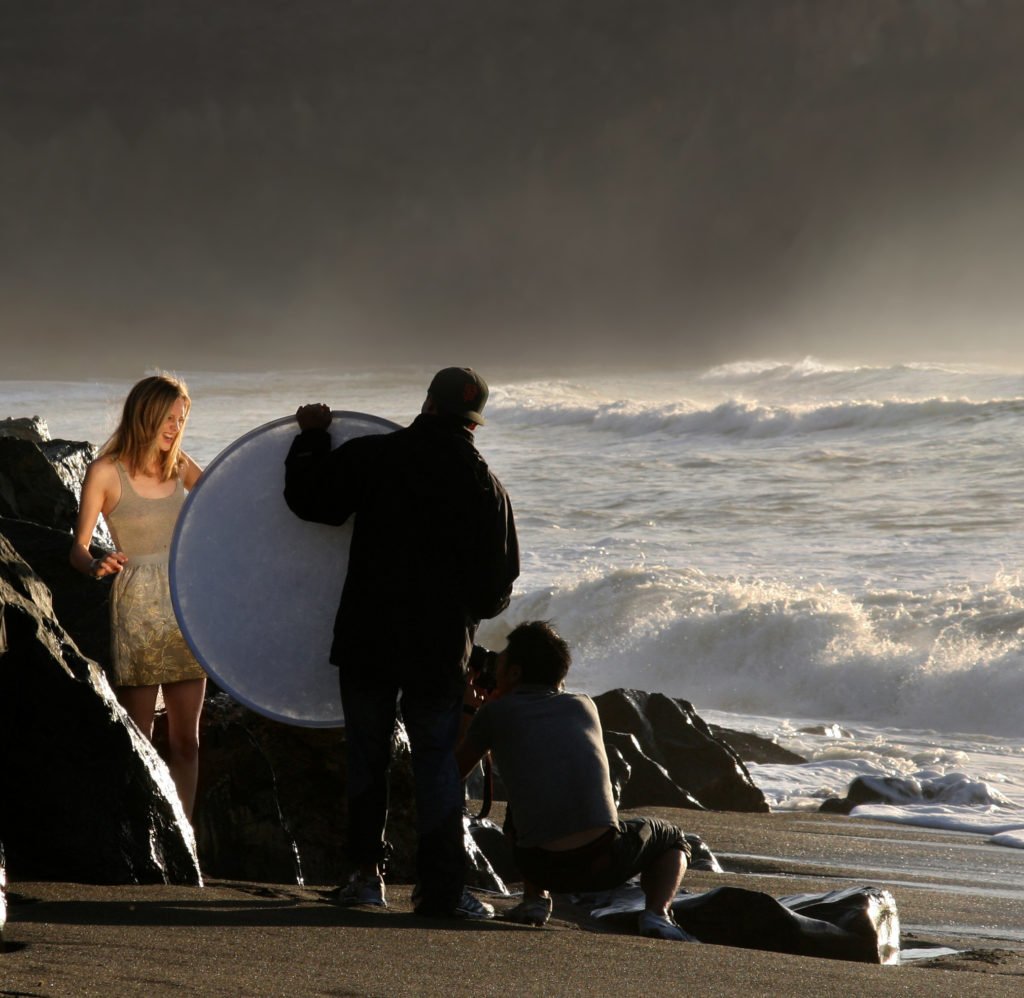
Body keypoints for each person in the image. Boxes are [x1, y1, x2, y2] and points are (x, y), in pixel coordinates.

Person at [284, 366, 519, 918]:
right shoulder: (486, 485)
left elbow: (313, 501)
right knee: (435, 762)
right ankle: (439, 891)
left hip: (369, 636)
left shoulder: (377, 455)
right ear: (474, 424)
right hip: (438, 651)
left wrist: (312, 437)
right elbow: (495, 591)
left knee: (367, 755)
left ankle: (365, 877)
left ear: (428, 405)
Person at [456, 620, 695, 941]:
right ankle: (657, 914)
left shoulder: (495, 714)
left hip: (538, 863)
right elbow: (546, 722)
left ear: (514, 673)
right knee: (674, 838)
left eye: (501, 662)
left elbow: (453, 771)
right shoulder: (585, 705)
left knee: (528, 792)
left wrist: (472, 709)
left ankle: (535, 900)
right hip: (602, 862)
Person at [70, 373, 207, 821]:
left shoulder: (180, 465)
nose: (175, 427)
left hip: (186, 604)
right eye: (168, 417)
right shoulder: (106, 472)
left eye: (181, 419)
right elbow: (79, 548)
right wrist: (95, 564)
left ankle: (184, 839)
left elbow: (222, 505)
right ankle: (143, 825)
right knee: (141, 736)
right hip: (138, 608)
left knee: (186, 739)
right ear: (145, 413)